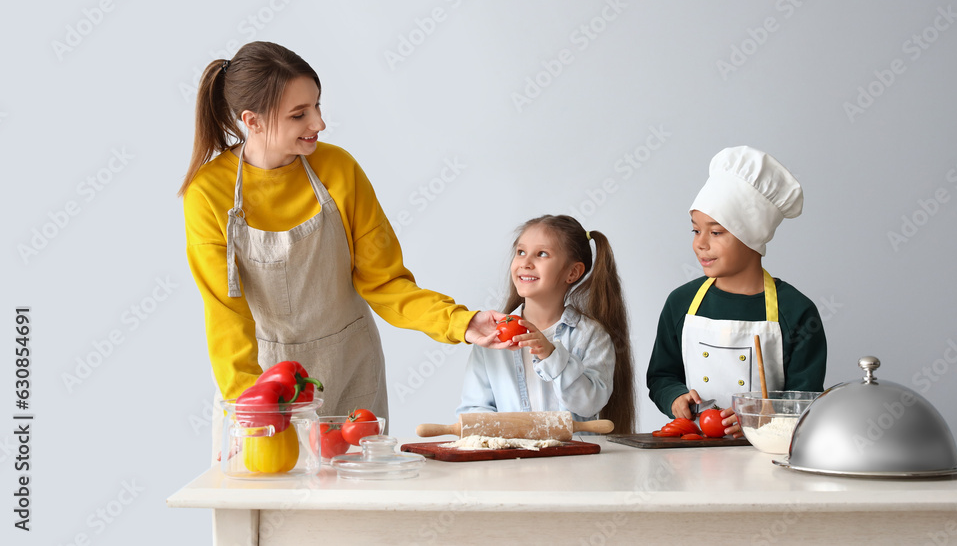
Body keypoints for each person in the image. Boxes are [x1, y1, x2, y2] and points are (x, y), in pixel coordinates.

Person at [178, 41, 504, 451]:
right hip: (268, 385)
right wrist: (251, 403)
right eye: (299, 114)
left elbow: (384, 282)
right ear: (253, 121)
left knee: (358, 505)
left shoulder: (339, 169)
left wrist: (460, 323)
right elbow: (225, 312)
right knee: (274, 503)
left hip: (352, 370)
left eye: (316, 105)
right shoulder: (208, 194)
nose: (319, 122)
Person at [646, 146, 826, 435]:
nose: (701, 243)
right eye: (696, 230)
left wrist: (761, 425)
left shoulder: (796, 311)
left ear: (751, 236)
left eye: (716, 232)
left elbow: (805, 402)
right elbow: (662, 376)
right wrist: (675, 398)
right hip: (692, 453)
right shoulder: (681, 302)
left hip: (766, 459)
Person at [458, 214, 636, 434]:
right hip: (510, 464)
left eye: (541, 254)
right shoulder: (491, 336)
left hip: (575, 465)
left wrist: (552, 356)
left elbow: (590, 403)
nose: (525, 262)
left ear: (572, 272)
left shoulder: (590, 336)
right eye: (521, 252)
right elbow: (475, 408)